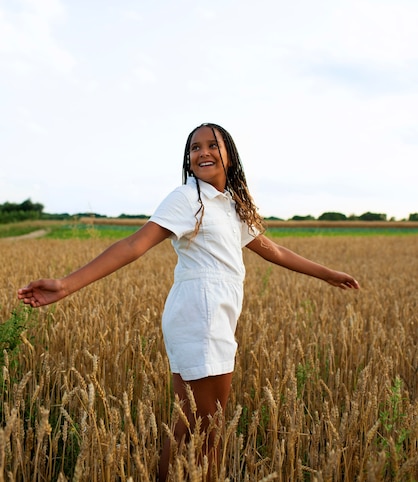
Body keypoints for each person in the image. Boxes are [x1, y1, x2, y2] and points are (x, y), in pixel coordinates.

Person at [18, 123, 360, 481]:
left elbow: (271, 249)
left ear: (230, 156)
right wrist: (66, 285)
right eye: (195, 148)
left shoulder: (230, 205)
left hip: (214, 315)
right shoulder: (187, 198)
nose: (202, 153)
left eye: (213, 145)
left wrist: (327, 273)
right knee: (200, 427)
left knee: (200, 424)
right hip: (200, 314)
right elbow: (135, 244)